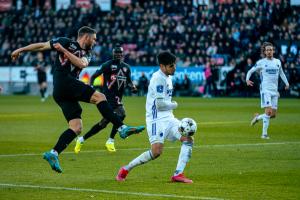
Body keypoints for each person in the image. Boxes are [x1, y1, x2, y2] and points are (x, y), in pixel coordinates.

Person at [11, 26, 145, 173]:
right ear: (86, 37)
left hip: (62, 92)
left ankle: (53, 153)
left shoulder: (86, 53)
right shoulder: (66, 42)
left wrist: (63, 50)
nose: (95, 42)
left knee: (76, 127)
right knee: (100, 97)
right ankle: (122, 128)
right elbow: (42, 45)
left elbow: (81, 64)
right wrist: (20, 49)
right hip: (64, 81)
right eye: (93, 39)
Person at [116, 51, 194, 183]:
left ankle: (178, 174)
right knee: (156, 152)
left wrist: (171, 107)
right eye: (171, 66)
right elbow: (159, 105)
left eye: (174, 65)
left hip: (169, 118)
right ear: (162, 66)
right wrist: (174, 104)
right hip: (156, 119)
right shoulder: (158, 78)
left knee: (188, 139)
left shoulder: (168, 77)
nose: (174, 68)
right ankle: (125, 169)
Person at [74, 45, 138, 153]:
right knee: (121, 113)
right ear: (113, 54)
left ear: (122, 54)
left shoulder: (126, 67)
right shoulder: (108, 65)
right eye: (116, 53)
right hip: (108, 96)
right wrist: (91, 87)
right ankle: (111, 140)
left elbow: (129, 81)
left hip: (118, 97)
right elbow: (94, 76)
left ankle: (81, 139)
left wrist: (132, 87)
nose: (118, 55)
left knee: (103, 123)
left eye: (120, 53)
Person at [246, 42, 289, 139]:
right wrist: (247, 79)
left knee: (273, 115)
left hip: (275, 90)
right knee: (268, 112)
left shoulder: (277, 62)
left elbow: (281, 73)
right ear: (265, 52)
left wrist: (286, 83)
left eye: (271, 50)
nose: (269, 51)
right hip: (265, 90)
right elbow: (250, 71)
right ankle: (264, 134)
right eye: (267, 50)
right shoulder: (261, 62)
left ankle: (257, 117)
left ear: (273, 51)